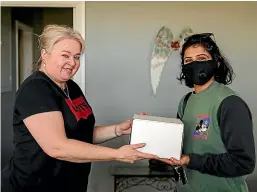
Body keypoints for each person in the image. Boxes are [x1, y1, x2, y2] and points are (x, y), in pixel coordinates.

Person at [1, 24, 159, 192]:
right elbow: (57, 147)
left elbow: (79, 133)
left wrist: (117, 130)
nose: (72, 63)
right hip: (33, 186)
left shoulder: (71, 88)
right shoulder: (35, 90)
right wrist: (117, 154)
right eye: (65, 55)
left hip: (70, 184)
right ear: (45, 55)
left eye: (76, 57)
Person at [160, 33, 256, 192]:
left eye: (202, 58)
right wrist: (150, 132)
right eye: (188, 61)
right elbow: (180, 147)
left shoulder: (229, 103)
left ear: (216, 62)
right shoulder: (185, 102)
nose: (194, 64)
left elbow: (243, 162)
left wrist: (191, 160)